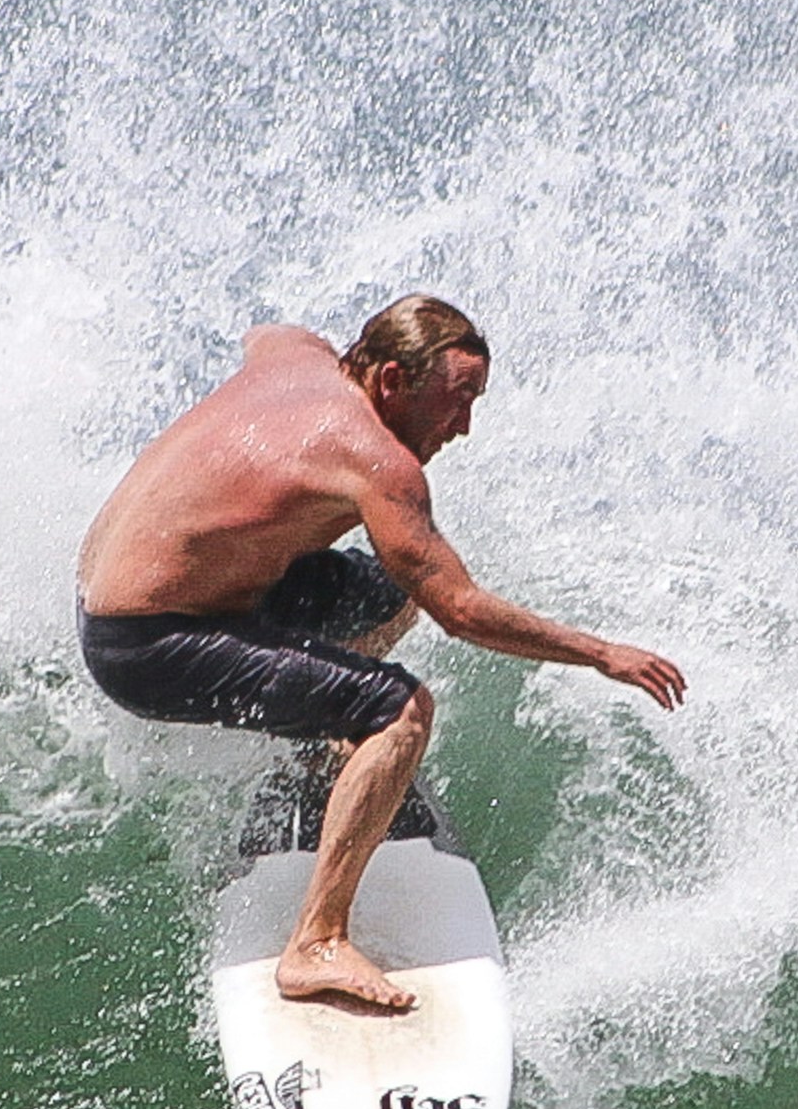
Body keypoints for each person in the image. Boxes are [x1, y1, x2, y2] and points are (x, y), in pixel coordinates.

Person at [79, 295, 686, 1012]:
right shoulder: (377, 460)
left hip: (134, 588)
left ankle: (323, 741)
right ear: (393, 379)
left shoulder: (300, 357)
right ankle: (316, 943)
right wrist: (600, 651)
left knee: (395, 587)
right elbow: (459, 610)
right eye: (456, 402)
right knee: (400, 710)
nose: (463, 427)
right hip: (149, 641)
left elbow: (265, 331)